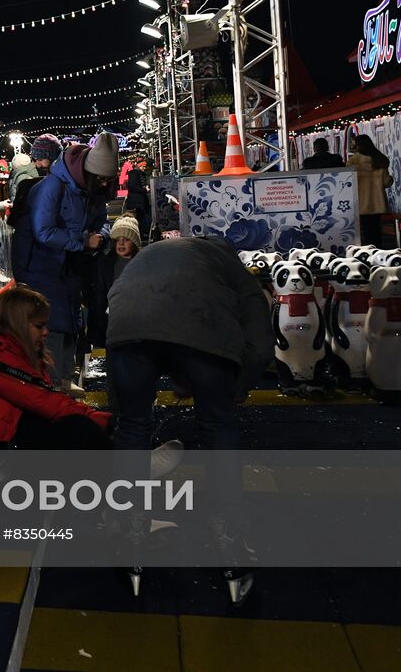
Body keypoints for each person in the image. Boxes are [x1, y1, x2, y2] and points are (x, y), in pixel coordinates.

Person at [104, 236, 271, 588]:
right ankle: (229, 537)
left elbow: (134, 320)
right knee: (217, 426)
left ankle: (130, 525)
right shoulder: (233, 269)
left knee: (134, 425)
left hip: (127, 324)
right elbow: (258, 343)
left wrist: (122, 412)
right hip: (199, 323)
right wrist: (234, 389)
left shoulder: (148, 257)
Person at [12, 133, 118, 390]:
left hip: (70, 267)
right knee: (52, 326)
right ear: (89, 173)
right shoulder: (52, 187)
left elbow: (101, 221)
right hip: (42, 268)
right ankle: (52, 384)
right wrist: (83, 241)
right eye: (101, 179)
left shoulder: (92, 189)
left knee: (71, 322)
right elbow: (43, 231)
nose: (104, 184)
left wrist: (101, 237)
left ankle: (64, 379)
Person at [0, 287, 113, 450]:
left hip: (0, 445)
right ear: (18, 325)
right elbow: (44, 400)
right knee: (79, 428)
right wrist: (106, 421)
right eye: (39, 326)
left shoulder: (8, 350)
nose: (46, 332)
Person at [89, 213, 143, 352]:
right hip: (113, 322)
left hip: (138, 323)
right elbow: (100, 296)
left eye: (126, 239)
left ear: (135, 242)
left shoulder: (143, 263)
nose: (121, 243)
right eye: (117, 239)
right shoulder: (106, 263)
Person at [347, 134, 392, 246]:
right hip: (377, 203)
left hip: (361, 203)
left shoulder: (353, 162)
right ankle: (377, 249)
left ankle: (368, 251)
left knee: (364, 230)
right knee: (375, 229)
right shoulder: (379, 159)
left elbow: (348, 183)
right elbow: (387, 182)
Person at [123, 159, 152, 241]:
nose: (145, 169)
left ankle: (143, 234)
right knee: (143, 218)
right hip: (137, 202)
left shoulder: (139, 174)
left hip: (140, 201)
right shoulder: (134, 174)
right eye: (144, 167)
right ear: (141, 166)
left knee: (142, 218)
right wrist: (144, 189)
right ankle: (143, 235)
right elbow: (132, 186)